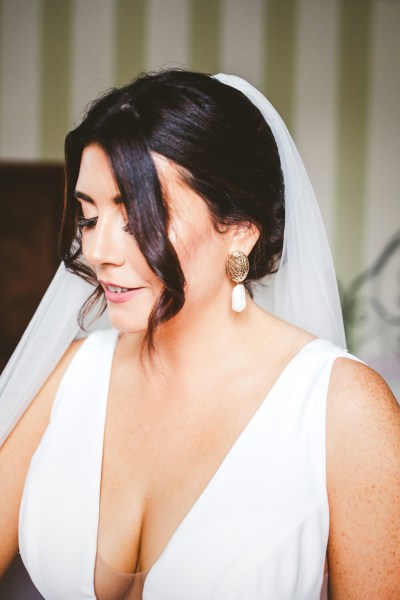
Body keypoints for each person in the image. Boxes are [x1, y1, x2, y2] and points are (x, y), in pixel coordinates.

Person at [0, 69, 399, 600]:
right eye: (89, 216)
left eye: (138, 214)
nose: (98, 252)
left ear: (239, 230)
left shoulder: (344, 409)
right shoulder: (70, 376)